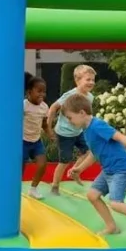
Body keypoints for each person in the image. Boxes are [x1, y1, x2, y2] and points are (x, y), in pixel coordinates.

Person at [60, 94, 126, 246]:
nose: (69, 121)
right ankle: (111, 226)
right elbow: (94, 153)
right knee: (93, 195)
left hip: (121, 169)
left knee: (116, 203)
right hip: (108, 170)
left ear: (81, 113)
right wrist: (79, 168)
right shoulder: (87, 130)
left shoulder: (97, 125)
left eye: (70, 117)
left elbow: (121, 137)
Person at [47, 64, 98, 195]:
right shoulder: (70, 95)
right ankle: (55, 186)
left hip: (79, 132)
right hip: (64, 133)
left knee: (88, 152)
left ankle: (75, 171)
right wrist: (48, 126)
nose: (91, 82)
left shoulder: (90, 97)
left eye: (93, 79)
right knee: (64, 160)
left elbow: (86, 115)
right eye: (88, 79)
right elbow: (53, 107)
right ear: (77, 80)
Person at [23, 73, 52, 199]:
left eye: (44, 92)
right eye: (38, 91)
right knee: (20, 167)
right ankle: (14, 188)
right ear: (29, 92)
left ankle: (33, 188)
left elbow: (44, 124)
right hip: (23, 141)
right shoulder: (24, 105)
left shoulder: (44, 107)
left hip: (36, 141)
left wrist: (50, 133)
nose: (42, 94)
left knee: (42, 164)